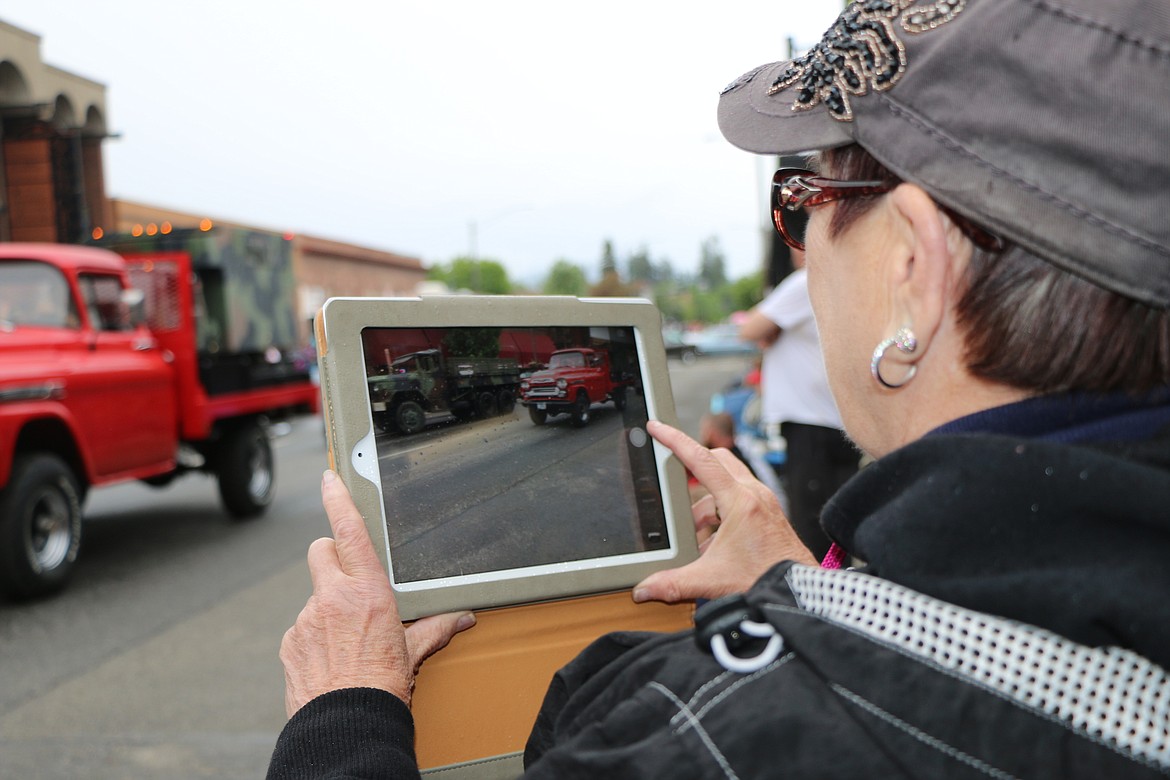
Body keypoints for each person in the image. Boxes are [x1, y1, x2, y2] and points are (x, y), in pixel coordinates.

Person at [270, 0, 1170, 776]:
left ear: (912, 267)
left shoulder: (703, 744)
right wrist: (798, 586)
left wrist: (342, 718)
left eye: (800, 198)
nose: (801, 247)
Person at [739, 249, 859, 560]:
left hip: (810, 424)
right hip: (837, 422)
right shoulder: (841, 283)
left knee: (811, 531)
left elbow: (749, 329)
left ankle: (817, 601)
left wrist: (771, 329)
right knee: (836, 528)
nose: (792, 248)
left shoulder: (804, 281)